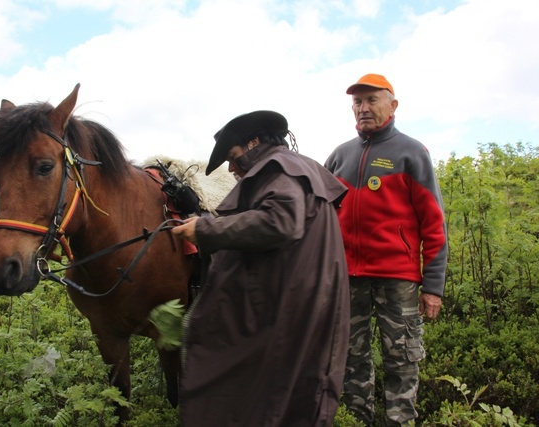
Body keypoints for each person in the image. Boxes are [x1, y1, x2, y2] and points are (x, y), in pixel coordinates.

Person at [172, 110, 350, 427]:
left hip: (290, 310)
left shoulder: (279, 169)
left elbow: (279, 222)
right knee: (289, 393)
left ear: (254, 142)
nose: (231, 168)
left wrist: (206, 231)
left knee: (270, 393)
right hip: (301, 303)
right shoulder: (298, 168)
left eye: (233, 157)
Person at [324, 74, 448, 426]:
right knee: (350, 358)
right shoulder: (339, 156)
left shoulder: (412, 152)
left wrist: (433, 287)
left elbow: (434, 224)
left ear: (392, 105)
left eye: (371, 100)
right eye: (357, 103)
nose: (363, 108)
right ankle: (357, 421)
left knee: (402, 360)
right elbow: (320, 218)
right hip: (348, 278)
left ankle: (400, 423)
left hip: (398, 278)